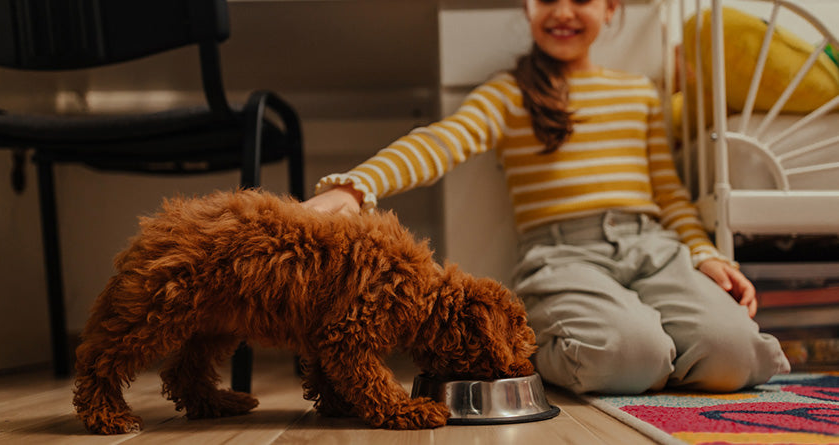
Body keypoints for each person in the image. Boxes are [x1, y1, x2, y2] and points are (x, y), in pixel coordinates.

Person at [303, 0, 790, 394]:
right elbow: (442, 141)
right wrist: (355, 185)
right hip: (562, 254)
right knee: (627, 356)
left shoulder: (639, 93)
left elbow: (669, 195)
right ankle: (618, 352)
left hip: (656, 247)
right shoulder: (508, 94)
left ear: (611, 9)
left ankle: (659, 354)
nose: (562, 11)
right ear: (527, 9)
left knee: (737, 357)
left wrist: (704, 253)